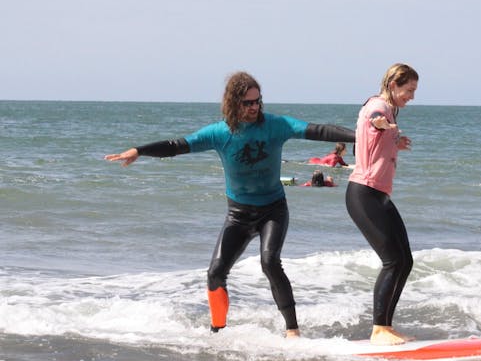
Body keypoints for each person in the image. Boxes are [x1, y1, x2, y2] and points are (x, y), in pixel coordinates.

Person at [105, 71, 354, 338]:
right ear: (234, 103)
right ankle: (218, 333)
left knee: (270, 262)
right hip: (238, 214)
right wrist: (140, 150)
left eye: (258, 101)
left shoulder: (276, 125)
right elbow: (178, 145)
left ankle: (292, 329)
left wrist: (358, 135)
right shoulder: (218, 133)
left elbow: (316, 130)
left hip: (273, 209)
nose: (255, 107)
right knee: (215, 273)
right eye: (248, 103)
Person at [345, 63, 418, 346]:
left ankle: (386, 326)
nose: (411, 96)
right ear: (393, 85)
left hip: (377, 195)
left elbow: (372, 140)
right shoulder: (380, 107)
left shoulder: (388, 109)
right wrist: (384, 125)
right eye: (408, 90)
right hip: (364, 193)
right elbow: (375, 119)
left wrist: (394, 141)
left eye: (414, 90)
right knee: (392, 261)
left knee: (405, 260)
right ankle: (378, 329)